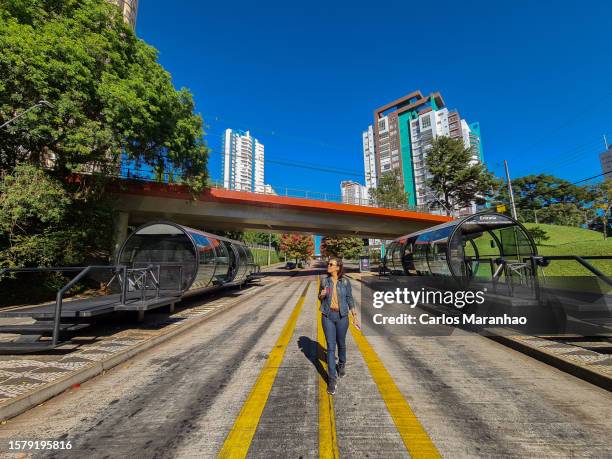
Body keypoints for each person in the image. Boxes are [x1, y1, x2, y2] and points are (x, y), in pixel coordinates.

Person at [318, 257, 359, 395]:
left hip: (342, 316)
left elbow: (349, 298)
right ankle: (332, 379)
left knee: (341, 343)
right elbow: (320, 297)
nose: (328, 266)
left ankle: (341, 365)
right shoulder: (324, 281)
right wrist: (322, 295)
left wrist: (354, 314)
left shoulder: (345, 282)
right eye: (328, 264)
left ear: (338, 267)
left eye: (331, 264)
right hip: (327, 316)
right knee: (330, 347)